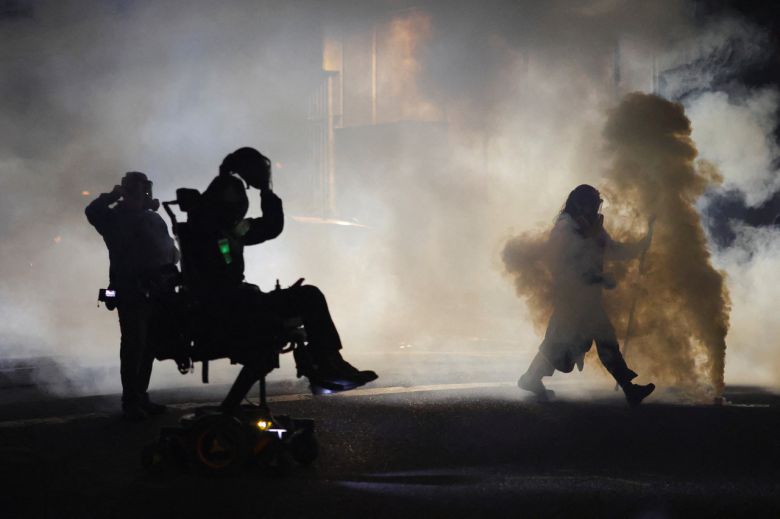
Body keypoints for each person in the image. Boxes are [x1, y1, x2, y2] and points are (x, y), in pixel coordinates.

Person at [182, 147, 377, 394]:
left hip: (229, 305)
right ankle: (328, 364)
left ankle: (325, 363)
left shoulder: (220, 227)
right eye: (234, 197)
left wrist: (265, 193)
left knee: (304, 297)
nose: (239, 204)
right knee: (309, 296)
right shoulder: (215, 230)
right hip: (230, 310)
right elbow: (221, 276)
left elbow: (269, 227)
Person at [517, 184, 655, 406]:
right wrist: (599, 279)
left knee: (599, 340)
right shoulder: (566, 229)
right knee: (558, 344)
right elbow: (568, 267)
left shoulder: (593, 228)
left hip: (588, 300)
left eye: (596, 203)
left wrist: (640, 245)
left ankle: (630, 390)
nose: (595, 208)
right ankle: (530, 378)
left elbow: (613, 249)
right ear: (580, 204)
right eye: (592, 203)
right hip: (571, 300)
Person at [86, 172, 179, 420]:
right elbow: (92, 210)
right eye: (137, 191)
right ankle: (131, 401)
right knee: (134, 348)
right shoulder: (114, 218)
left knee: (148, 347)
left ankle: (140, 395)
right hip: (131, 292)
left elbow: (170, 251)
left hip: (157, 292)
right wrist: (113, 196)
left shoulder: (152, 219)